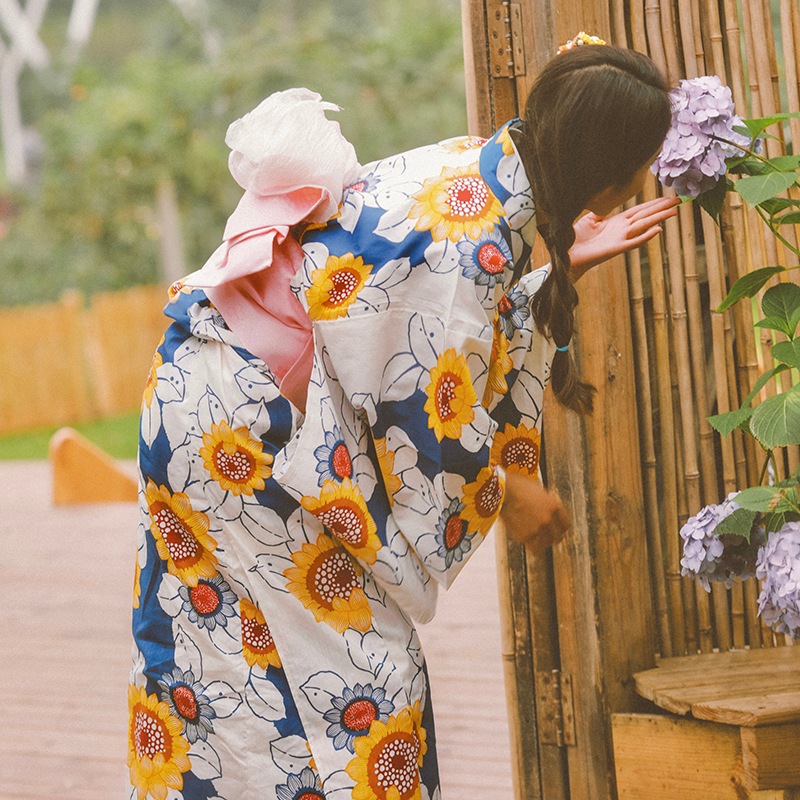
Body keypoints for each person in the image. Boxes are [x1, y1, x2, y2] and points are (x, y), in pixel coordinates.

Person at [128, 42, 679, 800]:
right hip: (246, 430)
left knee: (222, 655)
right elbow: (427, 412)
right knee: (361, 680)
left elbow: (436, 333)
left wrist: (564, 266)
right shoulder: (475, 243)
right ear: (609, 171)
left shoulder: (477, 169)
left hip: (199, 390)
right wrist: (512, 492)